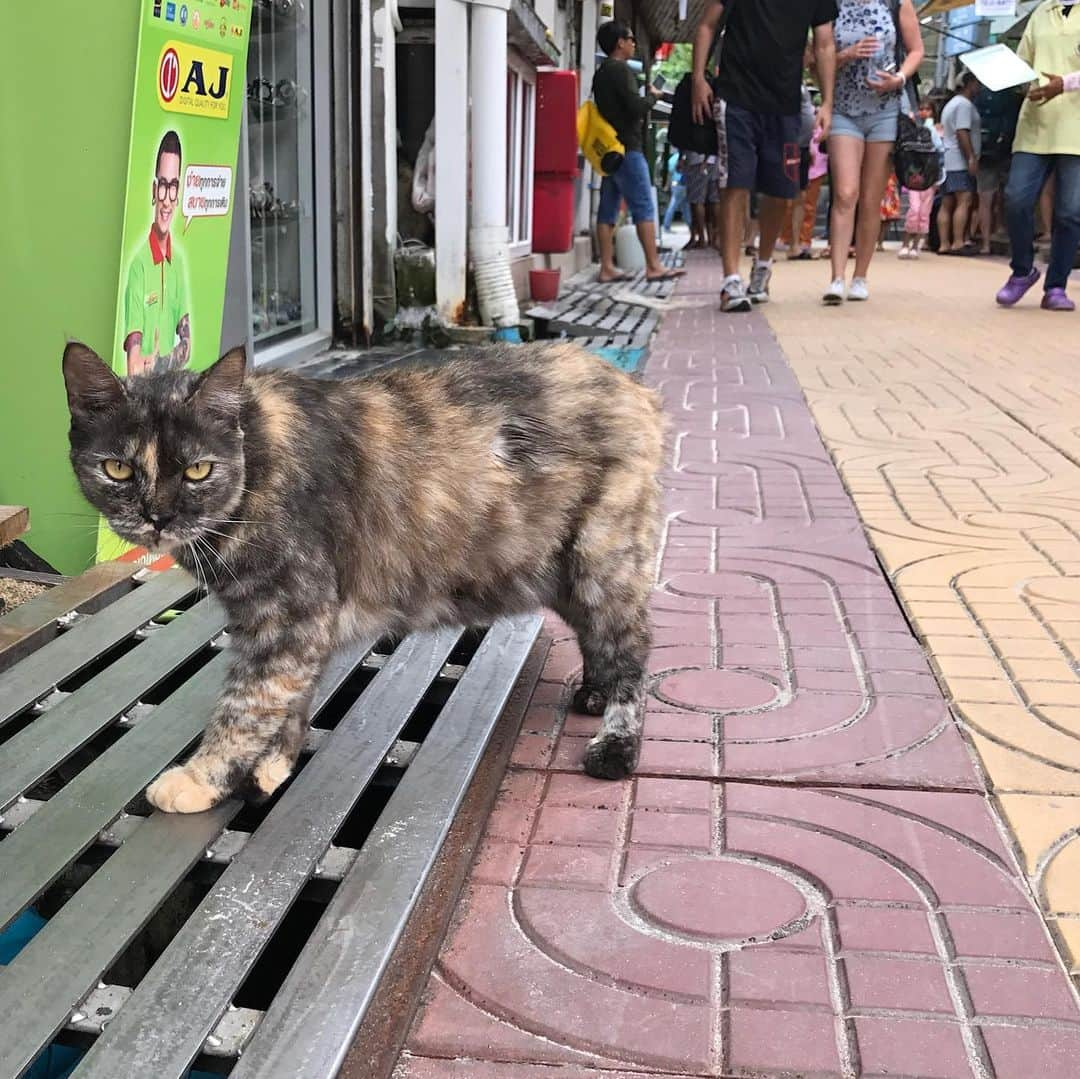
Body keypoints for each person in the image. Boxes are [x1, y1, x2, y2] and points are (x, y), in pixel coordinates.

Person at [692, 0, 838, 312]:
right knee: (735, 183)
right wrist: (698, 79)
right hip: (737, 97)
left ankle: (762, 267)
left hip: (785, 104)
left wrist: (827, 102)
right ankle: (731, 280)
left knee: (779, 191)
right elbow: (707, 25)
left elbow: (825, 44)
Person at [822, 0, 924, 305]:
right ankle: (837, 277)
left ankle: (860, 277)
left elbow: (917, 49)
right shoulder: (832, 6)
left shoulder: (895, 3)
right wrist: (846, 55)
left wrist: (900, 78)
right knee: (845, 193)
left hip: (885, 112)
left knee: (870, 199)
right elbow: (817, 57)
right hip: (843, 111)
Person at [996, 0, 1080, 312]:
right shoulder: (1042, 11)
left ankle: (1056, 286)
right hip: (1036, 123)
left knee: (1070, 213)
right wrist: (1015, 81)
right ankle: (1022, 270)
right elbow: (1024, 63)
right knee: (1017, 197)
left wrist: (1065, 83)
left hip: (1076, 128)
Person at [592, 21, 684, 283]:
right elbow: (635, 107)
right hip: (628, 148)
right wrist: (653, 96)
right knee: (643, 204)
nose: (633, 43)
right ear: (619, 42)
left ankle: (606, 267)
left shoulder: (600, 73)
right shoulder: (620, 71)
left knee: (607, 208)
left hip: (609, 151)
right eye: (631, 39)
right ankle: (653, 265)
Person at [123, 130, 191, 376]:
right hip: (144, 404)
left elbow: (187, 345)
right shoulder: (139, 265)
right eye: (163, 186)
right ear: (154, 190)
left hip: (171, 393)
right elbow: (134, 367)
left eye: (173, 187)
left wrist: (160, 363)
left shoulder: (179, 261)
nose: (167, 200)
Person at [937, 72, 983, 257]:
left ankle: (944, 243)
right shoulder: (964, 105)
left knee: (947, 202)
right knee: (964, 200)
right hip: (959, 159)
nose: (979, 88)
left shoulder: (951, 104)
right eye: (977, 83)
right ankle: (957, 241)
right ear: (969, 84)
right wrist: (971, 157)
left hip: (947, 159)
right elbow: (962, 131)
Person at [899, 99, 942, 258]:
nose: (924, 112)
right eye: (921, 109)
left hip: (929, 174)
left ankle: (916, 245)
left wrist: (938, 176)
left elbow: (939, 152)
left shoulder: (935, 131)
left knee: (924, 212)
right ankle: (905, 243)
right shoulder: (912, 128)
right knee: (914, 209)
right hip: (914, 174)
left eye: (927, 109)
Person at [662, 151, 689, 233]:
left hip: (674, 183)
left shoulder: (672, 158)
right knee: (678, 205)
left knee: (683, 206)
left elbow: (669, 172)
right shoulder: (684, 157)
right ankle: (666, 225)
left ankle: (690, 224)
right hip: (682, 183)